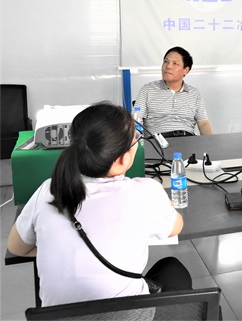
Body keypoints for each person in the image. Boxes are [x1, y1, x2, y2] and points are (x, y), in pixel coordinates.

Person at [8, 103, 191, 306]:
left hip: (58, 317)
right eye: (136, 139)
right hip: (128, 316)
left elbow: (16, 248)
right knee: (173, 269)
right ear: (123, 158)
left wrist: (60, 252)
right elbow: (176, 227)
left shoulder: (49, 189)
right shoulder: (146, 192)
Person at [135, 46, 213, 137]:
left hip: (187, 140)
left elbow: (203, 124)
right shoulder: (147, 89)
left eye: (175, 63)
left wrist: (211, 141)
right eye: (166, 62)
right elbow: (136, 120)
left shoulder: (195, 94)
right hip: (158, 141)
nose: (168, 66)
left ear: (185, 70)